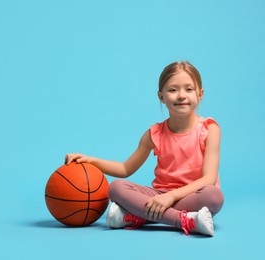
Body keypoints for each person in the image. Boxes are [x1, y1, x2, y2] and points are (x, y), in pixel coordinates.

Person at [65, 61, 224, 236]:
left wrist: (170, 197)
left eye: (189, 89)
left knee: (214, 196)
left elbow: (209, 179)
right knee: (116, 188)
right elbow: (125, 169)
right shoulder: (154, 134)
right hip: (158, 194)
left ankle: (139, 215)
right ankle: (185, 220)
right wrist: (91, 160)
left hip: (193, 195)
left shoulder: (210, 129)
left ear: (200, 94)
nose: (181, 95)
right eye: (172, 90)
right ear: (161, 96)